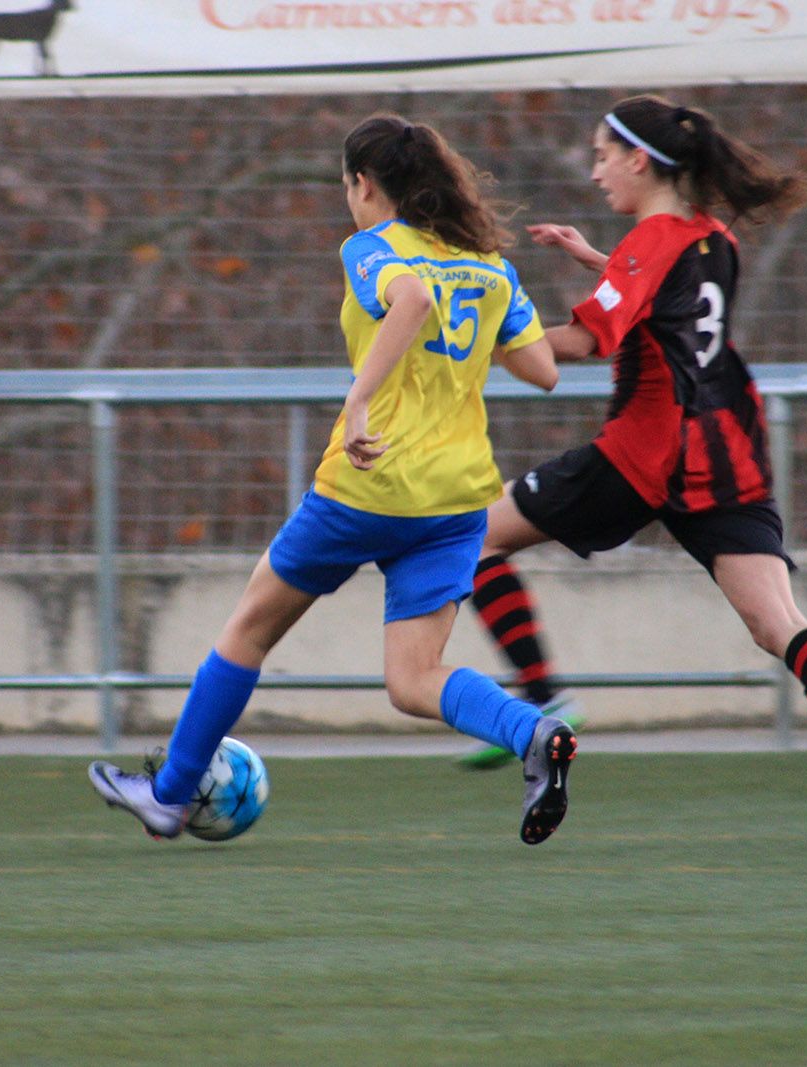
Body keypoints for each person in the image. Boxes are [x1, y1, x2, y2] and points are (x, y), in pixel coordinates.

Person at [90, 115, 577, 846]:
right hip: (455, 499)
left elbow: (409, 299)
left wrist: (359, 398)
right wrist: (473, 339)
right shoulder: (488, 265)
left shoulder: (371, 246)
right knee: (415, 679)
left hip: (367, 483)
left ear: (365, 184)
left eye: (346, 185)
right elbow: (542, 369)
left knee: (250, 628)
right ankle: (532, 731)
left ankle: (170, 793)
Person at [461, 95, 807, 846]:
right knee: (779, 622)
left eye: (604, 154)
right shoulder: (715, 240)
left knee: (474, 541)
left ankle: (543, 700)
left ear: (641, 159)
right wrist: (598, 262)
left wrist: (472, 333)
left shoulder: (652, 241)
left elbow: (579, 344)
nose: (596, 168)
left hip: (642, 453)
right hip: (724, 453)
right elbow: (667, 300)